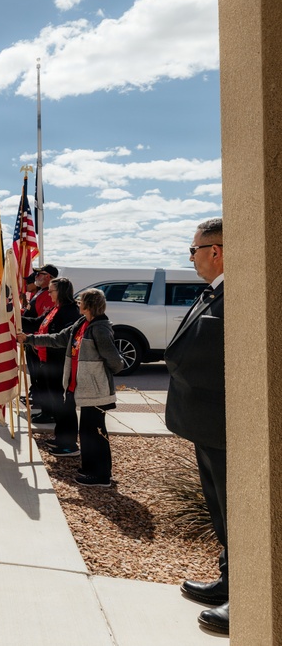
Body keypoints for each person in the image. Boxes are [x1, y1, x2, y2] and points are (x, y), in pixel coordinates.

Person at [164, 218, 229, 635]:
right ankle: (230, 578)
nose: (191, 257)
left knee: (235, 509)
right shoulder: (215, 292)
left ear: (216, 250)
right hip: (206, 424)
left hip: (224, 425)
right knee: (221, 510)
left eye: (193, 250)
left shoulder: (237, 293)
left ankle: (247, 593)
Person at [19, 288, 123, 487]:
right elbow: (57, 338)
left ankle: (101, 475)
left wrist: (96, 375)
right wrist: (29, 338)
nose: (78, 303)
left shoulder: (100, 329)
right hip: (81, 389)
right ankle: (90, 469)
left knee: (95, 433)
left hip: (96, 392)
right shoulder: (81, 323)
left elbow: (116, 362)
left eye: (81, 300)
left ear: (89, 304)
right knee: (87, 432)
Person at [22, 276, 81, 443]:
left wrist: (31, 339)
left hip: (60, 364)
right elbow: (36, 323)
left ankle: (67, 441)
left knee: (62, 404)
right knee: (55, 402)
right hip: (47, 362)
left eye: (51, 291)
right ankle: (60, 436)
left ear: (61, 291)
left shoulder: (70, 311)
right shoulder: (55, 309)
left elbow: (60, 339)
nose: (49, 294)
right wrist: (15, 319)